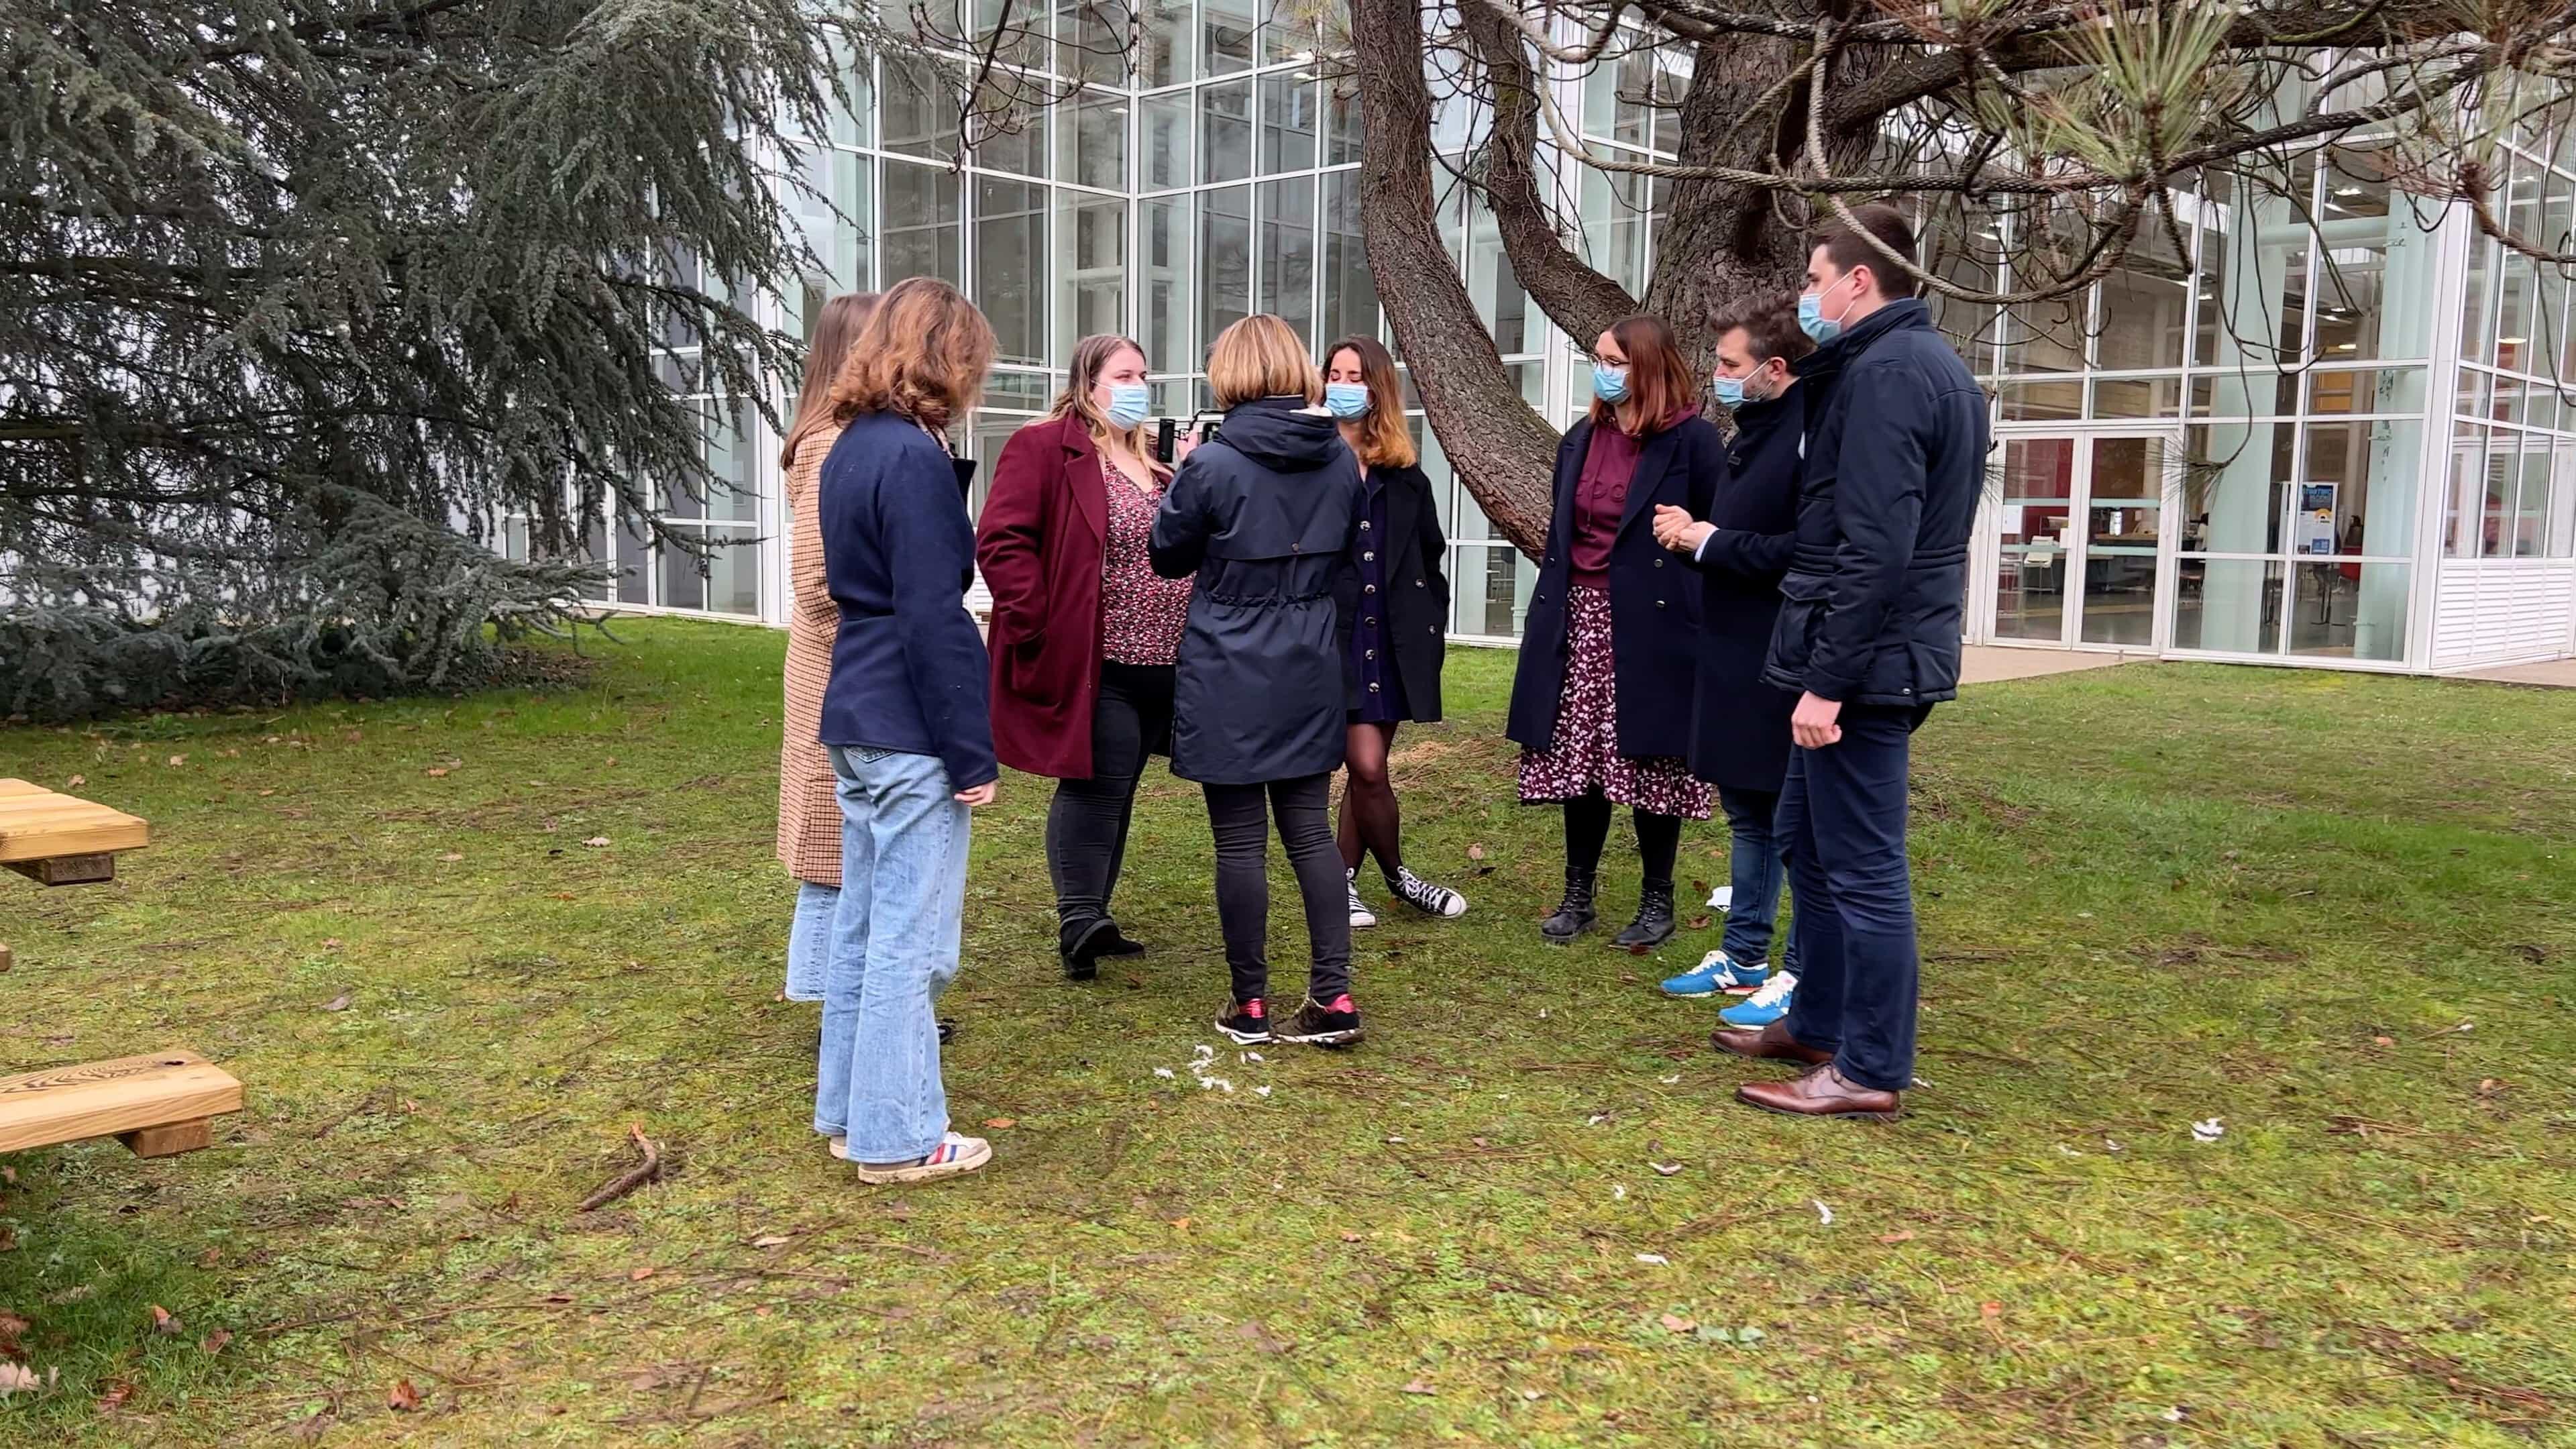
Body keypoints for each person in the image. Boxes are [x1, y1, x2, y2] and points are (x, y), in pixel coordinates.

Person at [1713, 203, 1988, 1121]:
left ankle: (1869, 1066)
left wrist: (1828, 681)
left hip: (1865, 669)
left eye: (1814, 277)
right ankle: (1820, 1021)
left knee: (1863, 867)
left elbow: (1876, 546)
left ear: (1858, 281)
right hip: (1864, 656)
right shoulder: (1900, 368)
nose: (1806, 294)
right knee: (1807, 841)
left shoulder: (1892, 376)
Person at [812, 276, 1002, 1182]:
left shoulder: (849, 448)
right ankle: (897, 1135)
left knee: (862, 922)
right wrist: (972, 750)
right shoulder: (908, 458)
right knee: (906, 936)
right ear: (947, 357)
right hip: (904, 719)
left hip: (856, 710)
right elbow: (934, 613)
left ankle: (854, 1113)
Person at [1150, 313, 1365, 1049]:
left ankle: (1250, 1003)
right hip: (1307, 656)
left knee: (1239, 840)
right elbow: (1346, 559)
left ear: (1230, 373)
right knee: (1309, 831)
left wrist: (1180, 479)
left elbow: (1167, 556)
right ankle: (1333, 996)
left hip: (1229, 661)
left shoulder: (1211, 464)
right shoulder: (1339, 458)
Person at [978, 334, 1193, 981]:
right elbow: (1002, 540)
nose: (1138, 387)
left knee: (1119, 784)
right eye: (1124, 375)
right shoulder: (1045, 447)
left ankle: (1092, 915)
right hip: (1095, 654)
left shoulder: (1153, 463)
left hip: (1165, 657)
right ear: (1087, 383)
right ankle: (1078, 918)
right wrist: (1036, 618)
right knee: (1095, 780)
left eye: (1144, 375)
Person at [1506, 313, 1723, 950]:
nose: (1601, 370)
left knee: (1652, 759)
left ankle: (1658, 899)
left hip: (1653, 624)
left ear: (1648, 367)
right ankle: (1580, 893)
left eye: (1613, 360)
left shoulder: (1693, 443)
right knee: (1584, 762)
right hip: (1579, 618)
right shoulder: (1582, 436)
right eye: (1597, 358)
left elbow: (1715, 537)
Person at [1649, 296, 1811, 1030]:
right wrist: (1695, 533)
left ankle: (1803, 971)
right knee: (1747, 812)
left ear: (1775, 370)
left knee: (1796, 821)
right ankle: (1743, 955)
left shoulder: (1811, 435)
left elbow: (1803, 552)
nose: (1715, 374)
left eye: (1728, 364)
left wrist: (1707, 542)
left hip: (1782, 654)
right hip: (1734, 650)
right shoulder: (1753, 431)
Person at [1322, 334, 1467, 929]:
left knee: (1367, 768)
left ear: (1377, 388)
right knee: (1369, 768)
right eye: (1334, 373)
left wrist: (1429, 623)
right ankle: (1399, 877)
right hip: (1336, 638)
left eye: (1355, 375)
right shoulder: (1310, 463)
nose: (1342, 385)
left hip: (1396, 643)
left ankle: (1342, 883)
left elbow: (1429, 562)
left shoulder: (1406, 476)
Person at [775, 291, 877, 1005]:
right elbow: (819, 581)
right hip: (838, 670)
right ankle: (832, 1002)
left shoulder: (848, 436)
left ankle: (847, 1002)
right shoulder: (826, 443)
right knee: (831, 851)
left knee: (846, 847)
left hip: (847, 668)